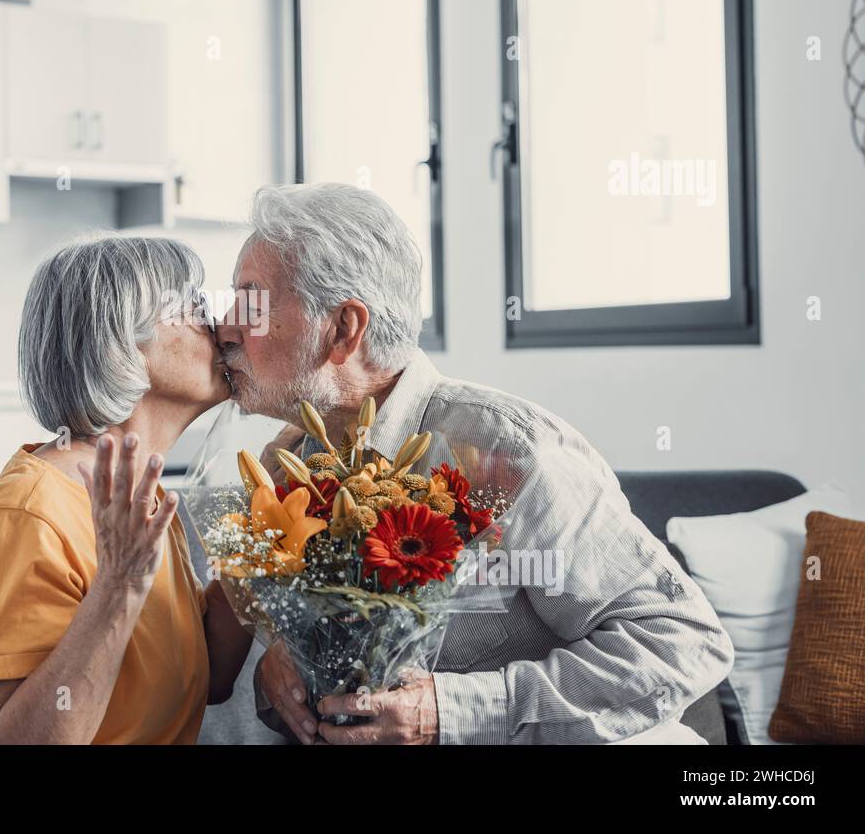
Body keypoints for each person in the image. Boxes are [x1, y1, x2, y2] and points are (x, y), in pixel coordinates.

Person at [216, 182, 735, 745]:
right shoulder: (285, 467)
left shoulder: (508, 454)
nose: (225, 328)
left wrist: (448, 712)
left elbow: (682, 641)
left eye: (253, 304)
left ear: (343, 328)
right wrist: (280, 673)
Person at [0, 235, 250, 744]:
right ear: (124, 347)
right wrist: (119, 584)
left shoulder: (141, 499)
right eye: (191, 305)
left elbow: (204, 672)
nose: (218, 323)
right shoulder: (26, 514)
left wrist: (273, 533)